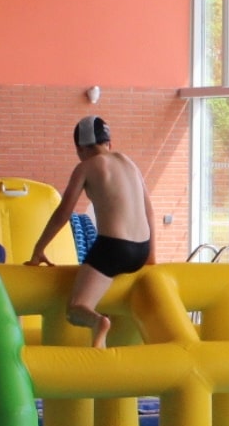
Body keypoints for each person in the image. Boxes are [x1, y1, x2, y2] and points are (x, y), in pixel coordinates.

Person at [27, 115, 155, 348]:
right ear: (109, 143)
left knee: (76, 309)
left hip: (114, 248)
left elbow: (63, 213)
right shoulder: (129, 163)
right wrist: (151, 258)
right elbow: (150, 212)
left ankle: (98, 322)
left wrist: (39, 250)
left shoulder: (85, 167)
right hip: (140, 250)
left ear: (79, 149)